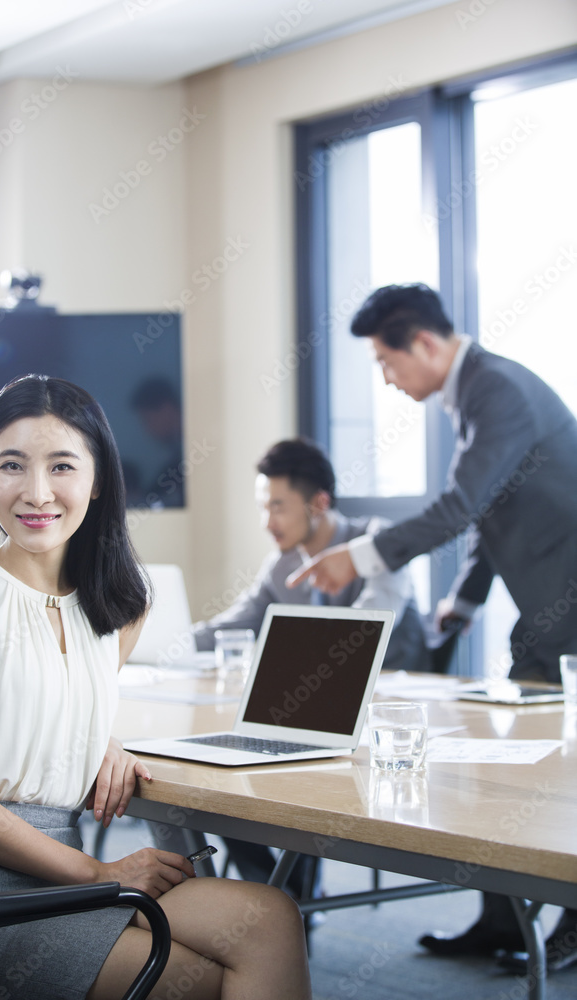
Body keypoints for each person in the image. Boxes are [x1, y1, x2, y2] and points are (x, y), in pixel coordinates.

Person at [0, 374, 311, 1000]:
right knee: (200, 980)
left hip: (69, 873)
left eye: (62, 466)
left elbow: (55, 700)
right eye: (11, 465)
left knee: (271, 918)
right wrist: (100, 871)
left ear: (97, 480)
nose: (36, 491)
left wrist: (101, 739)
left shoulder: (120, 607)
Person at [287, 283, 577, 971]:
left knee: (560, 769)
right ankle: (503, 920)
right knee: (510, 756)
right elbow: (493, 510)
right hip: (544, 604)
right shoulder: (480, 392)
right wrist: (465, 602)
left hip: (565, 602)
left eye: (386, 363)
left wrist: (355, 556)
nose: (386, 380)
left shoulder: (496, 389)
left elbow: (458, 506)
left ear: (422, 343)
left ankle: (564, 924)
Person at [190, 437, 428, 897]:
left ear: (319, 503)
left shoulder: (374, 542)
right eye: (264, 507)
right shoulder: (281, 565)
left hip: (388, 723)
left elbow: (369, 625)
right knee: (214, 786)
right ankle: (282, 896)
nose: (268, 522)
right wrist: (165, 637)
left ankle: (286, 896)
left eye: (278, 507)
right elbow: (236, 623)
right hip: (312, 717)